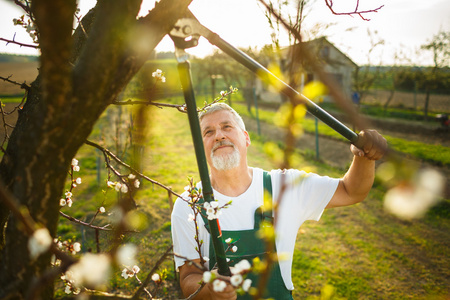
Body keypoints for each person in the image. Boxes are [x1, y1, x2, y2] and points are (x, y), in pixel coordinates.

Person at [171, 103, 387, 299]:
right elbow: (188, 276)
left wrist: (365, 156)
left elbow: (352, 191)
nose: (218, 136)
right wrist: (209, 289)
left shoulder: (284, 186)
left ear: (246, 138)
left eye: (227, 127)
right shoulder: (188, 205)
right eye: (209, 132)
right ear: (201, 148)